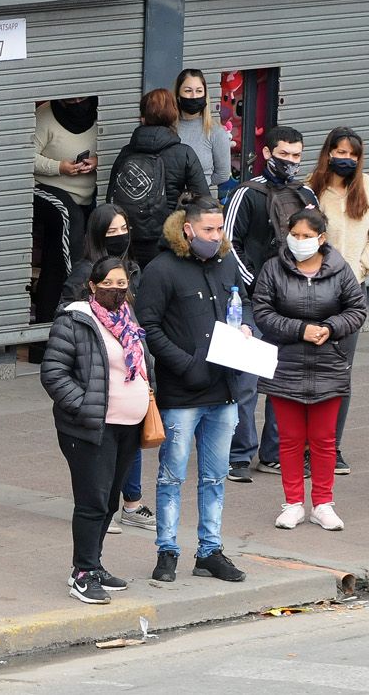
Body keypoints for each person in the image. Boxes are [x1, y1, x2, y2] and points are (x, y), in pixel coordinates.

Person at [134, 194, 250, 584]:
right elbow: (149, 328)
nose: (216, 236)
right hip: (182, 394)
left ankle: (210, 551)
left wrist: (246, 328)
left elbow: (243, 304)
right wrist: (185, 365)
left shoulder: (227, 262)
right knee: (171, 477)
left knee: (215, 477)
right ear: (188, 229)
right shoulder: (162, 269)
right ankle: (167, 551)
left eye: (220, 229)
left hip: (224, 390)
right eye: (208, 230)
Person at [42, 257, 152, 604]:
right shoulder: (74, 319)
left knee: (109, 501)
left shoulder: (128, 319)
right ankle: (82, 573)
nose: (118, 291)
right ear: (92, 285)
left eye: (123, 285)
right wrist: (85, 405)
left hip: (129, 425)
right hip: (90, 428)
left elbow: (143, 363)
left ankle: (95, 562)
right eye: (110, 284)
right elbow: (54, 373)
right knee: (91, 501)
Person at [252, 209, 367, 531]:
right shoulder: (273, 269)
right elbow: (262, 312)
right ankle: (292, 503)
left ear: (322, 239)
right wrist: (299, 329)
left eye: (306, 236)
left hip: (328, 365)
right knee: (288, 440)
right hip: (285, 364)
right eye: (295, 235)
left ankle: (323, 503)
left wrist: (330, 328)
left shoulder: (340, 270)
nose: (299, 242)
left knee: (323, 440)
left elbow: (357, 310)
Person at [222, 126, 319, 483]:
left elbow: (318, 243)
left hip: (293, 305)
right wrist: (258, 286)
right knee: (244, 383)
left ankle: (274, 454)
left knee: (284, 384)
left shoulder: (306, 194)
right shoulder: (245, 194)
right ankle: (238, 455)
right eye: (284, 154)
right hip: (250, 303)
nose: (291, 162)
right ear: (266, 153)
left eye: (297, 155)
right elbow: (230, 245)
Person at [59, 206, 156, 534]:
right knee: (98, 467)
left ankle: (129, 501)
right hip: (98, 396)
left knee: (129, 446)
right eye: (112, 231)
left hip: (130, 389)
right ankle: (103, 511)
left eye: (125, 228)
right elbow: (65, 333)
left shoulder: (134, 270)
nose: (121, 236)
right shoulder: (84, 274)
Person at [306, 127, 369, 475]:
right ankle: (297, 449)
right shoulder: (311, 187)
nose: (345, 159)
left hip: (349, 297)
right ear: (328, 152)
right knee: (304, 372)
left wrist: (359, 269)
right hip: (309, 293)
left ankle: (330, 448)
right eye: (339, 151)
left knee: (339, 374)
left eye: (352, 154)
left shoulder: (367, 187)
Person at [106, 88, 210, 268]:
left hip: (126, 240)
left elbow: (110, 197)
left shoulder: (126, 152)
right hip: (164, 241)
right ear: (173, 116)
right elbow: (204, 200)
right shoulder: (183, 153)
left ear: (143, 117)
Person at [32, 96, 100, 322]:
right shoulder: (45, 116)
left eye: (83, 98)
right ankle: (78, 288)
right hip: (48, 191)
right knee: (70, 220)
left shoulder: (102, 110)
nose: (78, 103)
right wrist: (58, 167)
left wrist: (97, 161)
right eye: (72, 100)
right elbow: (24, 156)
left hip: (88, 197)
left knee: (55, 263)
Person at [174, 69, 232, 192]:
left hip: (200, 203)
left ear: (205, 95)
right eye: (188, 91)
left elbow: (223, 174)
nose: (194, 96)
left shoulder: (216, 131)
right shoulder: (168, 127)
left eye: (199, 91)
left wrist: (200, 186)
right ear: (178, 96)